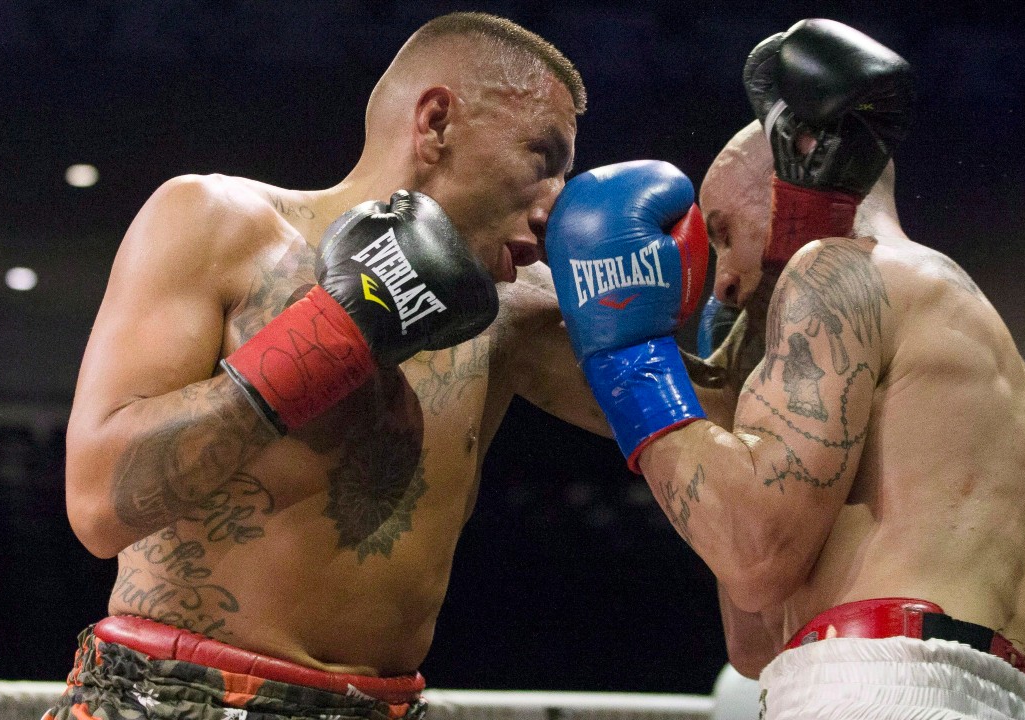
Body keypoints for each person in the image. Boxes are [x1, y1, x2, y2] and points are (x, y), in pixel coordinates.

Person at [54, 12, 609, 720]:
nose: (556, 206)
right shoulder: (218, 224)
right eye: (542, 159)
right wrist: (326, 337)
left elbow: (726, 429)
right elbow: (98, 506)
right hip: (169, 696)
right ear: (436, 122)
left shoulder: (516, 314)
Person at [548, 19, 1025, 720]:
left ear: (799, 158)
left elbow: (754, 552)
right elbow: (758, 640)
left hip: (872, 689)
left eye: (724, 230)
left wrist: (629, 357)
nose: (722, 282)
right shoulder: (976, 349)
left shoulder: (837, 271)